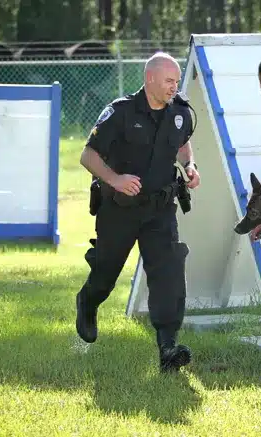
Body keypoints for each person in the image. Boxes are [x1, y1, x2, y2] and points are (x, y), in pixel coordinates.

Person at [75, 51, 200, 373]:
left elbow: (183, 142)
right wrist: (115, 179)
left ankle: (168, 348)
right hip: (119, 210)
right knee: (106, 272)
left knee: (168, 273)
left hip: (160, 209)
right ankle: (88, 302)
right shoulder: (120, 112)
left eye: (176, 80)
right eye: (169, 81)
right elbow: (88, 155)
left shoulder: (181, 112)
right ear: (150, 80)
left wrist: (189, 166)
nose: (175, 86)